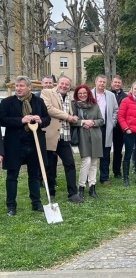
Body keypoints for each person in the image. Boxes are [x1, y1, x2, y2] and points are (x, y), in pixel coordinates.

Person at [0, 76, 51, 216]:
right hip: (14, 145)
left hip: (34, 144)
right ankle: (11, 206)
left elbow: (48, 118)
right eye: (17, 86)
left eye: (21, 86)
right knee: (12, 176)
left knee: (34, 176)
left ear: (29, 87)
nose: (18, 88)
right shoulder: (7, 102)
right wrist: (21, 120)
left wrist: (41, 120)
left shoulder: (38, 101)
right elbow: (2, 120)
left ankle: (36, 203)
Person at [41, 75, 83, 203]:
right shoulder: (47, 92)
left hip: (65, 136)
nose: (64, 86)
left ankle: (72, 194)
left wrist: (74, 116)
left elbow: (72, 113)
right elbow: (49, 109)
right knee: (50, 166)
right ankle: (51, 193)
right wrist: (68, 117)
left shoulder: (70, 98)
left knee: (70, 163)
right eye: (62, 83)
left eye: (67, 84)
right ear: (57, 84)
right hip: (51, 135)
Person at [71, 85, 104, 199]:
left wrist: (92, 122)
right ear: (77, 94)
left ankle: (92, 187)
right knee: (86, 160)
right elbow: (71, 120)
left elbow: (101, 120)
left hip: (96, 136)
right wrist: (83, 122)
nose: (82, 95)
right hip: (83, 136)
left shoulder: (94, 104)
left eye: (84, 93)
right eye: (80, 93)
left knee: (94, 162)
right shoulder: (74, 105)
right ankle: (81, 187)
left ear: (88, 93)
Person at [92, 74, 119, 185]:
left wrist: (112, 123)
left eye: (104, 82)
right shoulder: (89, 94)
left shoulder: (111, 95)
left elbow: (116, 110)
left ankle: (104, 178)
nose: (102, 84)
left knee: (105, 153)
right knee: (92, 154)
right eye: (100, 81)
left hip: (106, 127)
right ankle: (90, 177)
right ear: (95, 82)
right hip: (92, 128)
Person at [111, 75, 128, 179]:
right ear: (112, 83)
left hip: (119, 128)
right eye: (115, 82)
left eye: (119, 82)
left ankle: (117, 171)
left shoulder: (125, 96)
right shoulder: (106, 94)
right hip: (108, 126)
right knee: (105, 151)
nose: (117, 84)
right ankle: (104, 173)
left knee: (118, 151)